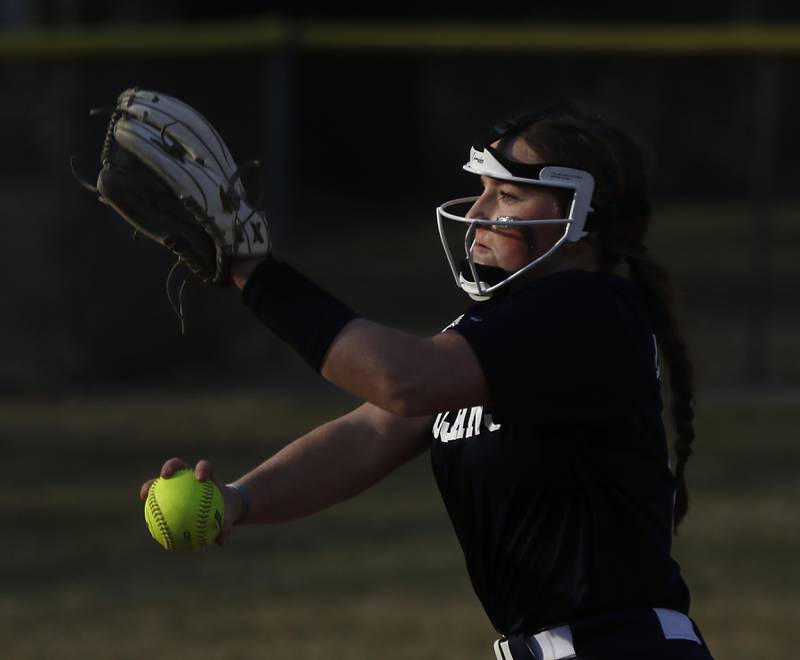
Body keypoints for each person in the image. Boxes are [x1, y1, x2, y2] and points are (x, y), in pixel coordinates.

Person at [140, 105, 714, 660]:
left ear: (583, 221)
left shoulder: (586, 311)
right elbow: (370, 433)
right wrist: (238, 500)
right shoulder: (506, 328)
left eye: (508, 195)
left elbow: (402, 381)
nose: (480, 210)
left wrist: (254, 273)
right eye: (484, 187)